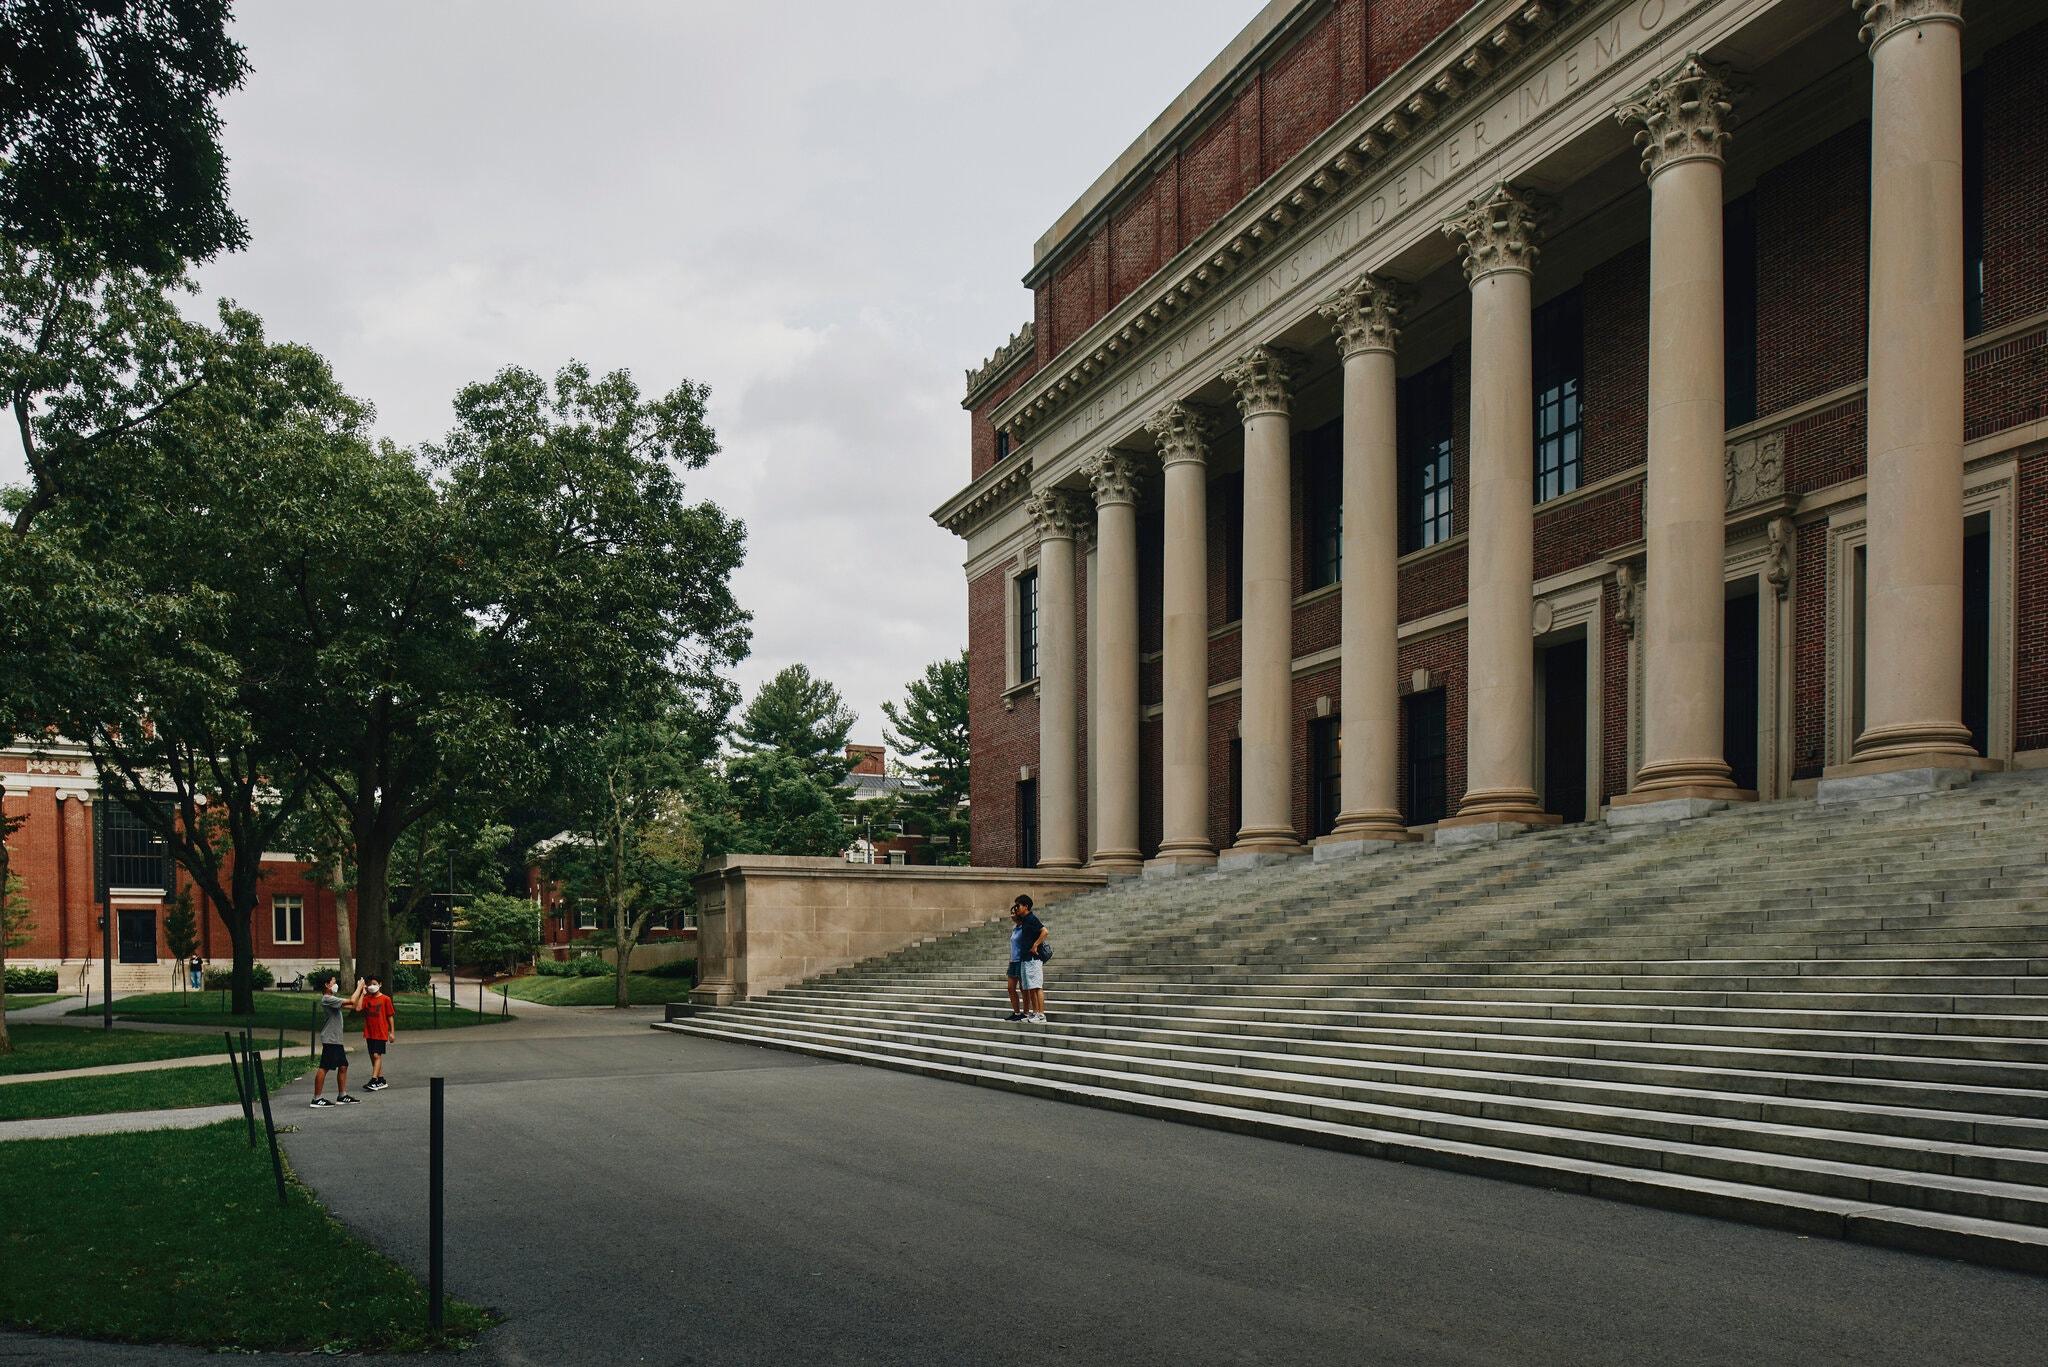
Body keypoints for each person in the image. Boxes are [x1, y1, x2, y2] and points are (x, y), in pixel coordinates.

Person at [308, 973, 364, 1108]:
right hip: (330, 1039)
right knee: (324, 1067)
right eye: (333, 982)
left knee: (343, 1066)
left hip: (336, 1039)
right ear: (327, 985)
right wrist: (359, 986)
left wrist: (362, 992)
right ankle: (317, 1098)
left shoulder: (333, 999)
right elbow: (351, 1000)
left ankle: (342, 1095)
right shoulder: (327, 999)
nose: (335, 984)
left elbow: (356, 1007)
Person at [1010, 895, 1048, 1024]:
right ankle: (1035, 1013)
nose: (1017, 908)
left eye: (1018, 905)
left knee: (1037, 986)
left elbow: (1045, 931)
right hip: (1025, 958)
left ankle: (1041, 1014)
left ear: (1026, 906)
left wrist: (1036, 944)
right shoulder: (1025, 919)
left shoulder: (1031, 918)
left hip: (1033, 958)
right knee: (1030, 987)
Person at [359, 974, 396, 1092]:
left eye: (374, 984)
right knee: (372, 1056)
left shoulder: (385, 999)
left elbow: (390, 1016)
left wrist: (392, 1032)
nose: (371, 986)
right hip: (369, 1032)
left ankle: (374, 1080)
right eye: (369, 984)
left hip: (381, 1032)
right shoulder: (366, 999)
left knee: (376, 1055)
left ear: (380, 985)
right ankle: (381, 1079)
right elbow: (358, 1008)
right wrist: (362, 993)